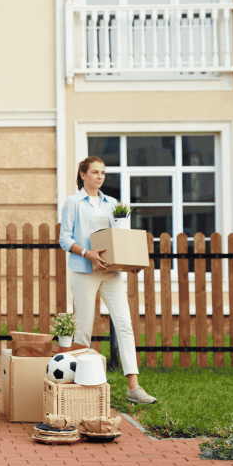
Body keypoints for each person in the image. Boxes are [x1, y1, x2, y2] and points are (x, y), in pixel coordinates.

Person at [59, 156, 156, 404]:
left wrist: (130, 262)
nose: (99, 176)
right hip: (85, 271)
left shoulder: (112, 203)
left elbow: (120, 238)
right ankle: (78, 386)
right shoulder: (73, 203)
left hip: (111, 274)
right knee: (83, 329)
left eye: (102, 172)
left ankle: (133, 387)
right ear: (82, 175)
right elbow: (65, 238)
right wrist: (88, 253)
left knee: (124, 325)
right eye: (94, 172)